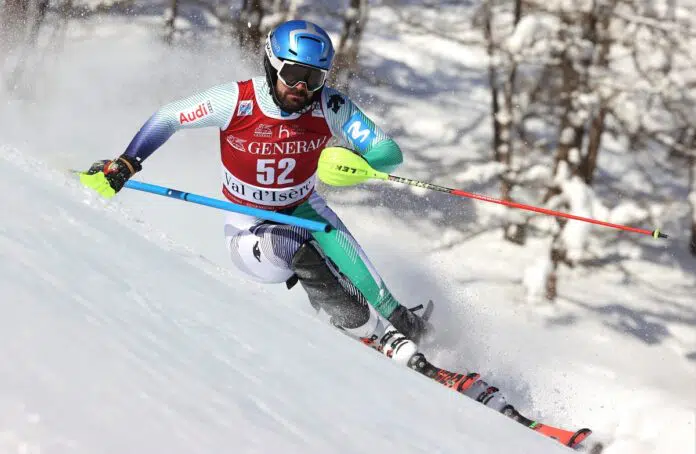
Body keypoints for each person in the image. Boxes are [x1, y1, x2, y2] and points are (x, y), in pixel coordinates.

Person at [79, 21, 583, 443]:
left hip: (306, 207)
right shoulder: (235, 100)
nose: (302, 88)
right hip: (249, 225)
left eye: (314, 78)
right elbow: (167, 117)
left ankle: (429, 351)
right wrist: (128, 162)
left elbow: (387, 152)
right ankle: (373, 337)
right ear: (272, 66)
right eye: (294, 75)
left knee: (383, 297)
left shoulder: (330, 106)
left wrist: (361, 162)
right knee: (296, 248)